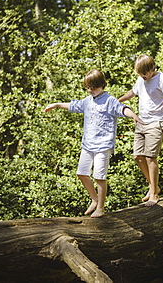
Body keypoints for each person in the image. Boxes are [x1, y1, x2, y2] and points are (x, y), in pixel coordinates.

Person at [45, 69, 144, 218]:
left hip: (103, 146)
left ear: (102, 85)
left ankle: (101, 208)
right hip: (87, 145)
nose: (90, 90)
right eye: (88, 87)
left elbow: (122, 109)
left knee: (99, 177)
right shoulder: (87, 101)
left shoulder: (109, 100)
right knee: (82, 173)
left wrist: (134, 116)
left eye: (94, 87)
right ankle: (94, 199)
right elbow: (74, 105)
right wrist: (57, 104)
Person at [118, 54, 163, 206]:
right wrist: (117, 101)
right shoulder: (141, 79)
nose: (143, 77)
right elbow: (132, 92)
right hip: (142, 122)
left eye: (144, 74)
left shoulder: (162, 79)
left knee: (150, 157)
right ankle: (153, 185)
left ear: (152, 68)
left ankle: (154, 194)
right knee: (138, 156)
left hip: (157, 123)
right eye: (140, 75)